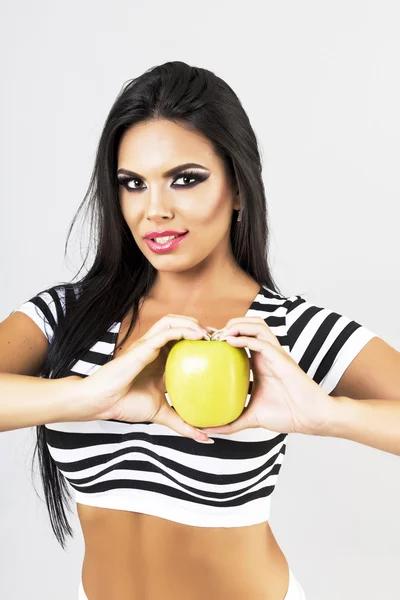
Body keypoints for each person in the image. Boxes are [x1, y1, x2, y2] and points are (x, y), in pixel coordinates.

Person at [1, 61, 399, 600]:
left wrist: (326, 415)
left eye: (185, 179)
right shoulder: (66, 315)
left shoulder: (282, 329)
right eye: (133, 184)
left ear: (238, 189)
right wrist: (91, 396)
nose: (155, 209)